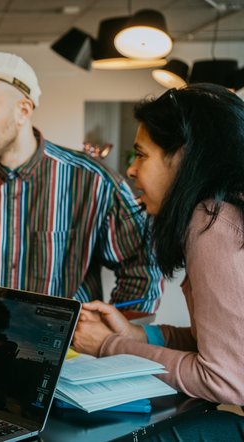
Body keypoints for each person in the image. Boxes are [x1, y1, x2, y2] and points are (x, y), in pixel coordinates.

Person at [0, 52, 163, 339]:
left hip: (63, 349)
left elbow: (141, 267)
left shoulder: (94, 180)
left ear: (23, 110)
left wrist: (117, 330)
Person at [73, 84, 244, 439]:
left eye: (141, 155)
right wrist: (139, 334)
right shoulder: (225, 213)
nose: (131, 170)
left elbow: (223, 378)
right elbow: (219, 344)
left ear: (182, 156)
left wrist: (109, 347)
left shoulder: (211, 222)